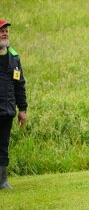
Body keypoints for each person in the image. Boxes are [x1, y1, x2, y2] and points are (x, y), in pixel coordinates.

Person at [0, 19, 27, 189]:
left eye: (6, 31)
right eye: (1, 30)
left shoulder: (14, 57)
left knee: (3, 146)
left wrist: (22, 109)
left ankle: (2, 181)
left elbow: (19, 84)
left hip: (7, 110)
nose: (5, 33)